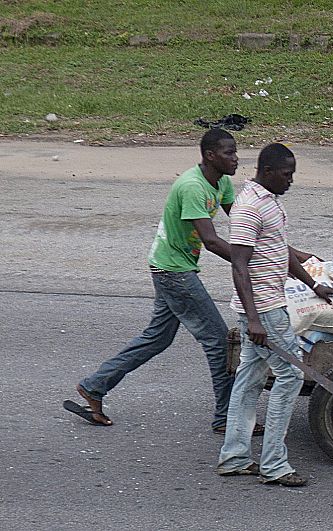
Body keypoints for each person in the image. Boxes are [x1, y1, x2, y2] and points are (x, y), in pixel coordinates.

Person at [67, 129, 261, 435]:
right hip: (174, 271)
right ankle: (228, 417)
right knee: (219, 341)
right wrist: (252, 261)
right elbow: (211, 241)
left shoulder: (221, 181)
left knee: (157, 338)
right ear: (210, 156)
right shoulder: (193, 187)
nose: (236, 159)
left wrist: (275, 249)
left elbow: (241, 224)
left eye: (235, 152)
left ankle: (94, 386)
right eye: (229, 153)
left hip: (169, 265)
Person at [216, 143, 333, 487]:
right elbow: (239, 265)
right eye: (286, 175)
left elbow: (279, 251)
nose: (291, 181)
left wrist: (314, 285)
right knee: (290, 377)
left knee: (249, 378)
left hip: (268, 305)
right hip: (265, 309)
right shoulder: (249, 208)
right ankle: (274, 464)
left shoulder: (270, 201)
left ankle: (235, 457)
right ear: (267, 171)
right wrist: (254, 319)